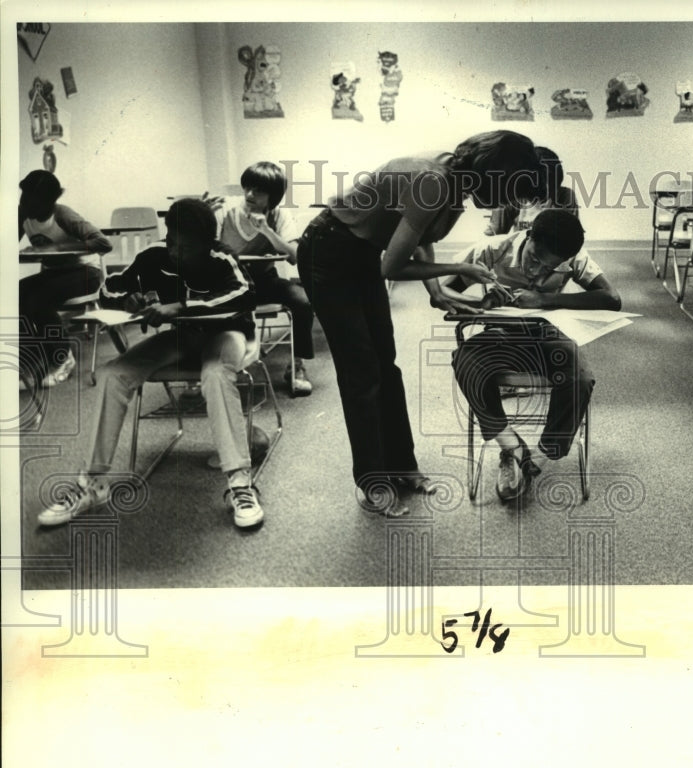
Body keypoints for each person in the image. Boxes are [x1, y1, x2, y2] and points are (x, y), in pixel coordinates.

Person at [297, 130, 542, 516]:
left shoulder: (455, 180)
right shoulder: (433, 180)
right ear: (494, 173)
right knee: (362, 372)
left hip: (361, 254)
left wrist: (437, 291)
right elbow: (391, 266)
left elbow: (418, 234)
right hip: (328, 253)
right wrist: (458, 268)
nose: (509, 203)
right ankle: (372, 481)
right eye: (510, 190)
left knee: (386, 368)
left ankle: (402, 466)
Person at [36, 198, 265, 529]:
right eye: (171, 241)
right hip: (182, 338)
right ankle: (92, 483)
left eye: (185, 247)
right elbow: (108, 289)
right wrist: (126, 299)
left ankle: (240, 484)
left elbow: (243, 296)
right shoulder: (154, 256)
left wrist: (180, 307)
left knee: (215, 375)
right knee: (113, 373)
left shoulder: (222, 257)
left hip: (226, 333)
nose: (174, 252)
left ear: (207, 243)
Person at [438, 208, 621, 502]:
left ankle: (540, 453)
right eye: (534, 260)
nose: (537, 272)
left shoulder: (573, 256)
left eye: (549, 269)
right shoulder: (492, 250)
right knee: (466, 362)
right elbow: (443, 296)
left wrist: (546, 299)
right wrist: (481, 303)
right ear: (527, 236)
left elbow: (611, 299)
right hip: (501, 336)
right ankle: (512, 447)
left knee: (581, 378)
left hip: (548, 336)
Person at [217, 161, 315, 396]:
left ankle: (296, 365)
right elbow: (206, 250)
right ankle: (203, 370)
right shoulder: (225, 210)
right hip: (229, 283)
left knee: (303, 302)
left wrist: (267, 232)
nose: (250, 194)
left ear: (273, 196)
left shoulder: (280, 214)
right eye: (247, 188)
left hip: (264, 281)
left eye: (258, 191)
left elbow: (294, 256)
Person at [18, 170, 113, 387]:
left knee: (38, 299)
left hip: (86, 274)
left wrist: (59, 246)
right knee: (11, 296)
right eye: (22, 197)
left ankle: (63, 359)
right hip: (56, 275)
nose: (24, 203)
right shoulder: (23, 214)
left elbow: (104, 243)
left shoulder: (63, 215)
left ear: (48, 201)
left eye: (30, 199)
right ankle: (34, 358)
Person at [484, 145, 578, 235]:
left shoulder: (565, 196)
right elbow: (492, 236)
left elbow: (570, 237)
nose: (544, 196)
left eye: (551, 188)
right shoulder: (511, 197)